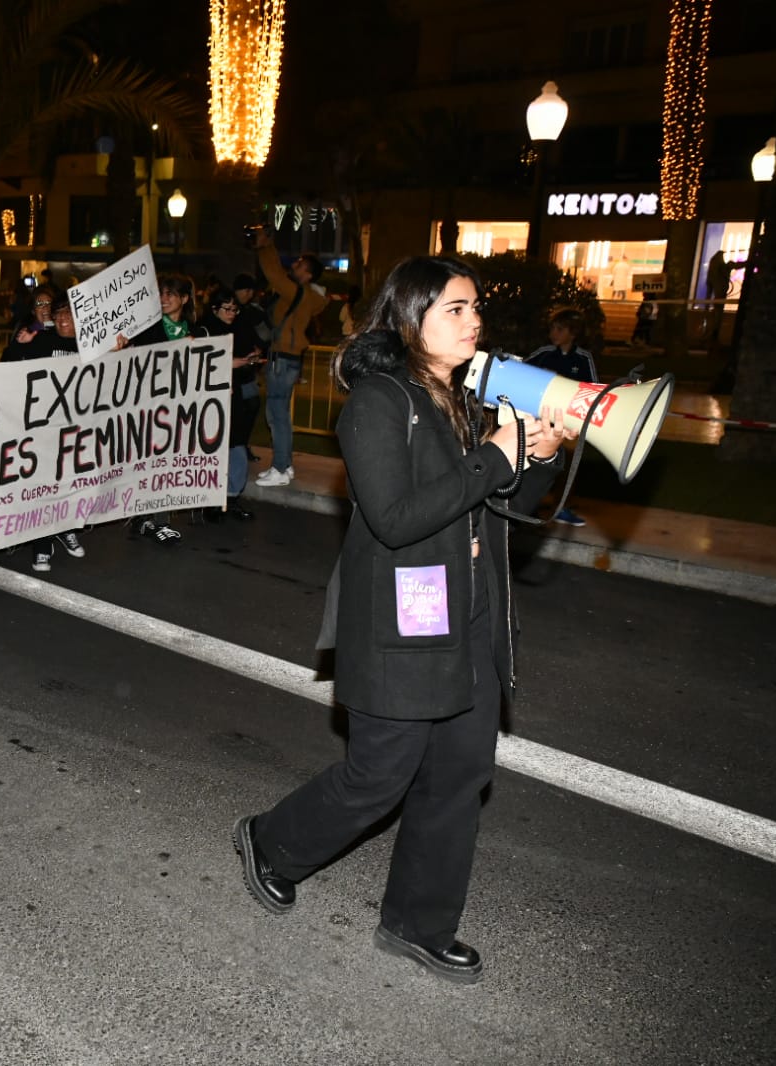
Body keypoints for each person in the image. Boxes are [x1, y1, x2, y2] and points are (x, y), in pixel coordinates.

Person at [232, 256, 571, 985]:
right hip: (403, 619)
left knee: (458, 772)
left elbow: (499, 500)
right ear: (410, 317)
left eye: (474, 306)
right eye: (454, 308)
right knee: (379, 774)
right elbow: (393, 519)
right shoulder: (377, 403)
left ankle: (417, 924)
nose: (472, 319)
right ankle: (270, 843)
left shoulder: (466, 403)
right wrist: (490, 455)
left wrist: (536, 457)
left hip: (470, 611)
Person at [2, 294, 88, 571]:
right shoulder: (42, 340)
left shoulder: (89, 345)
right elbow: (10, 368)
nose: (62, 319)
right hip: (44, 427)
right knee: (44, 483)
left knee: (71, 480)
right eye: (58, 314)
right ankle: (42, 541)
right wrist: (19, 345)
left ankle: (66, 528)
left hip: (77, 427)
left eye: (68, 315)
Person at [113, 273, 199, 545]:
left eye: (170, 294)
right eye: (161, 293)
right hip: (148, 406)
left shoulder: (193, 330)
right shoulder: (148, 328)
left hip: (177, 408)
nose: (163, 299)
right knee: (151, 462)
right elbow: (127, 356)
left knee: (168, 463)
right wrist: (120, 347)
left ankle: (150, 519)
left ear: (184, 299)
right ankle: (152, 520)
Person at [251, 230, 328, 489]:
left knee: (277, 415)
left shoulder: (296, 292)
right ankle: (285, 465)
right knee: (279, 414)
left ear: (307, 274)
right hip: (288, 358)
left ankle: (280, 468)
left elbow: (273, 272)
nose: (293, 266)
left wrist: (266, 246)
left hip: (282, 358)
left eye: (299, 265)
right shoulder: (307, 295)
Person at [525, 308, 598, 527]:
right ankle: (532, 505)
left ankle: (561, 507)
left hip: (569, 423)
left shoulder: (584, 358)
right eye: (552, 328)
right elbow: (523, 371)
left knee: (567, 468)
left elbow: (593, 389)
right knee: (535, 462)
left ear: (572, 333)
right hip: (542, 420)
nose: (553, 333)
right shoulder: (544, 353)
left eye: (559, 329)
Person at [195, 293, 259, 520]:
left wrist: (251, 358)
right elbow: (196, 361)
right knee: (212, 447)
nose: (232, 313)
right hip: (211, 398)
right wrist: (229, 363)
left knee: (236, 445)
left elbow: (254, 347)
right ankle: (209, 501)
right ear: (214, 309)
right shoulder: (204, 329)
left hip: (237, 394)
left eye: (235, 309)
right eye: (227, 308)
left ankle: (231, 498)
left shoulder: (240, 327)